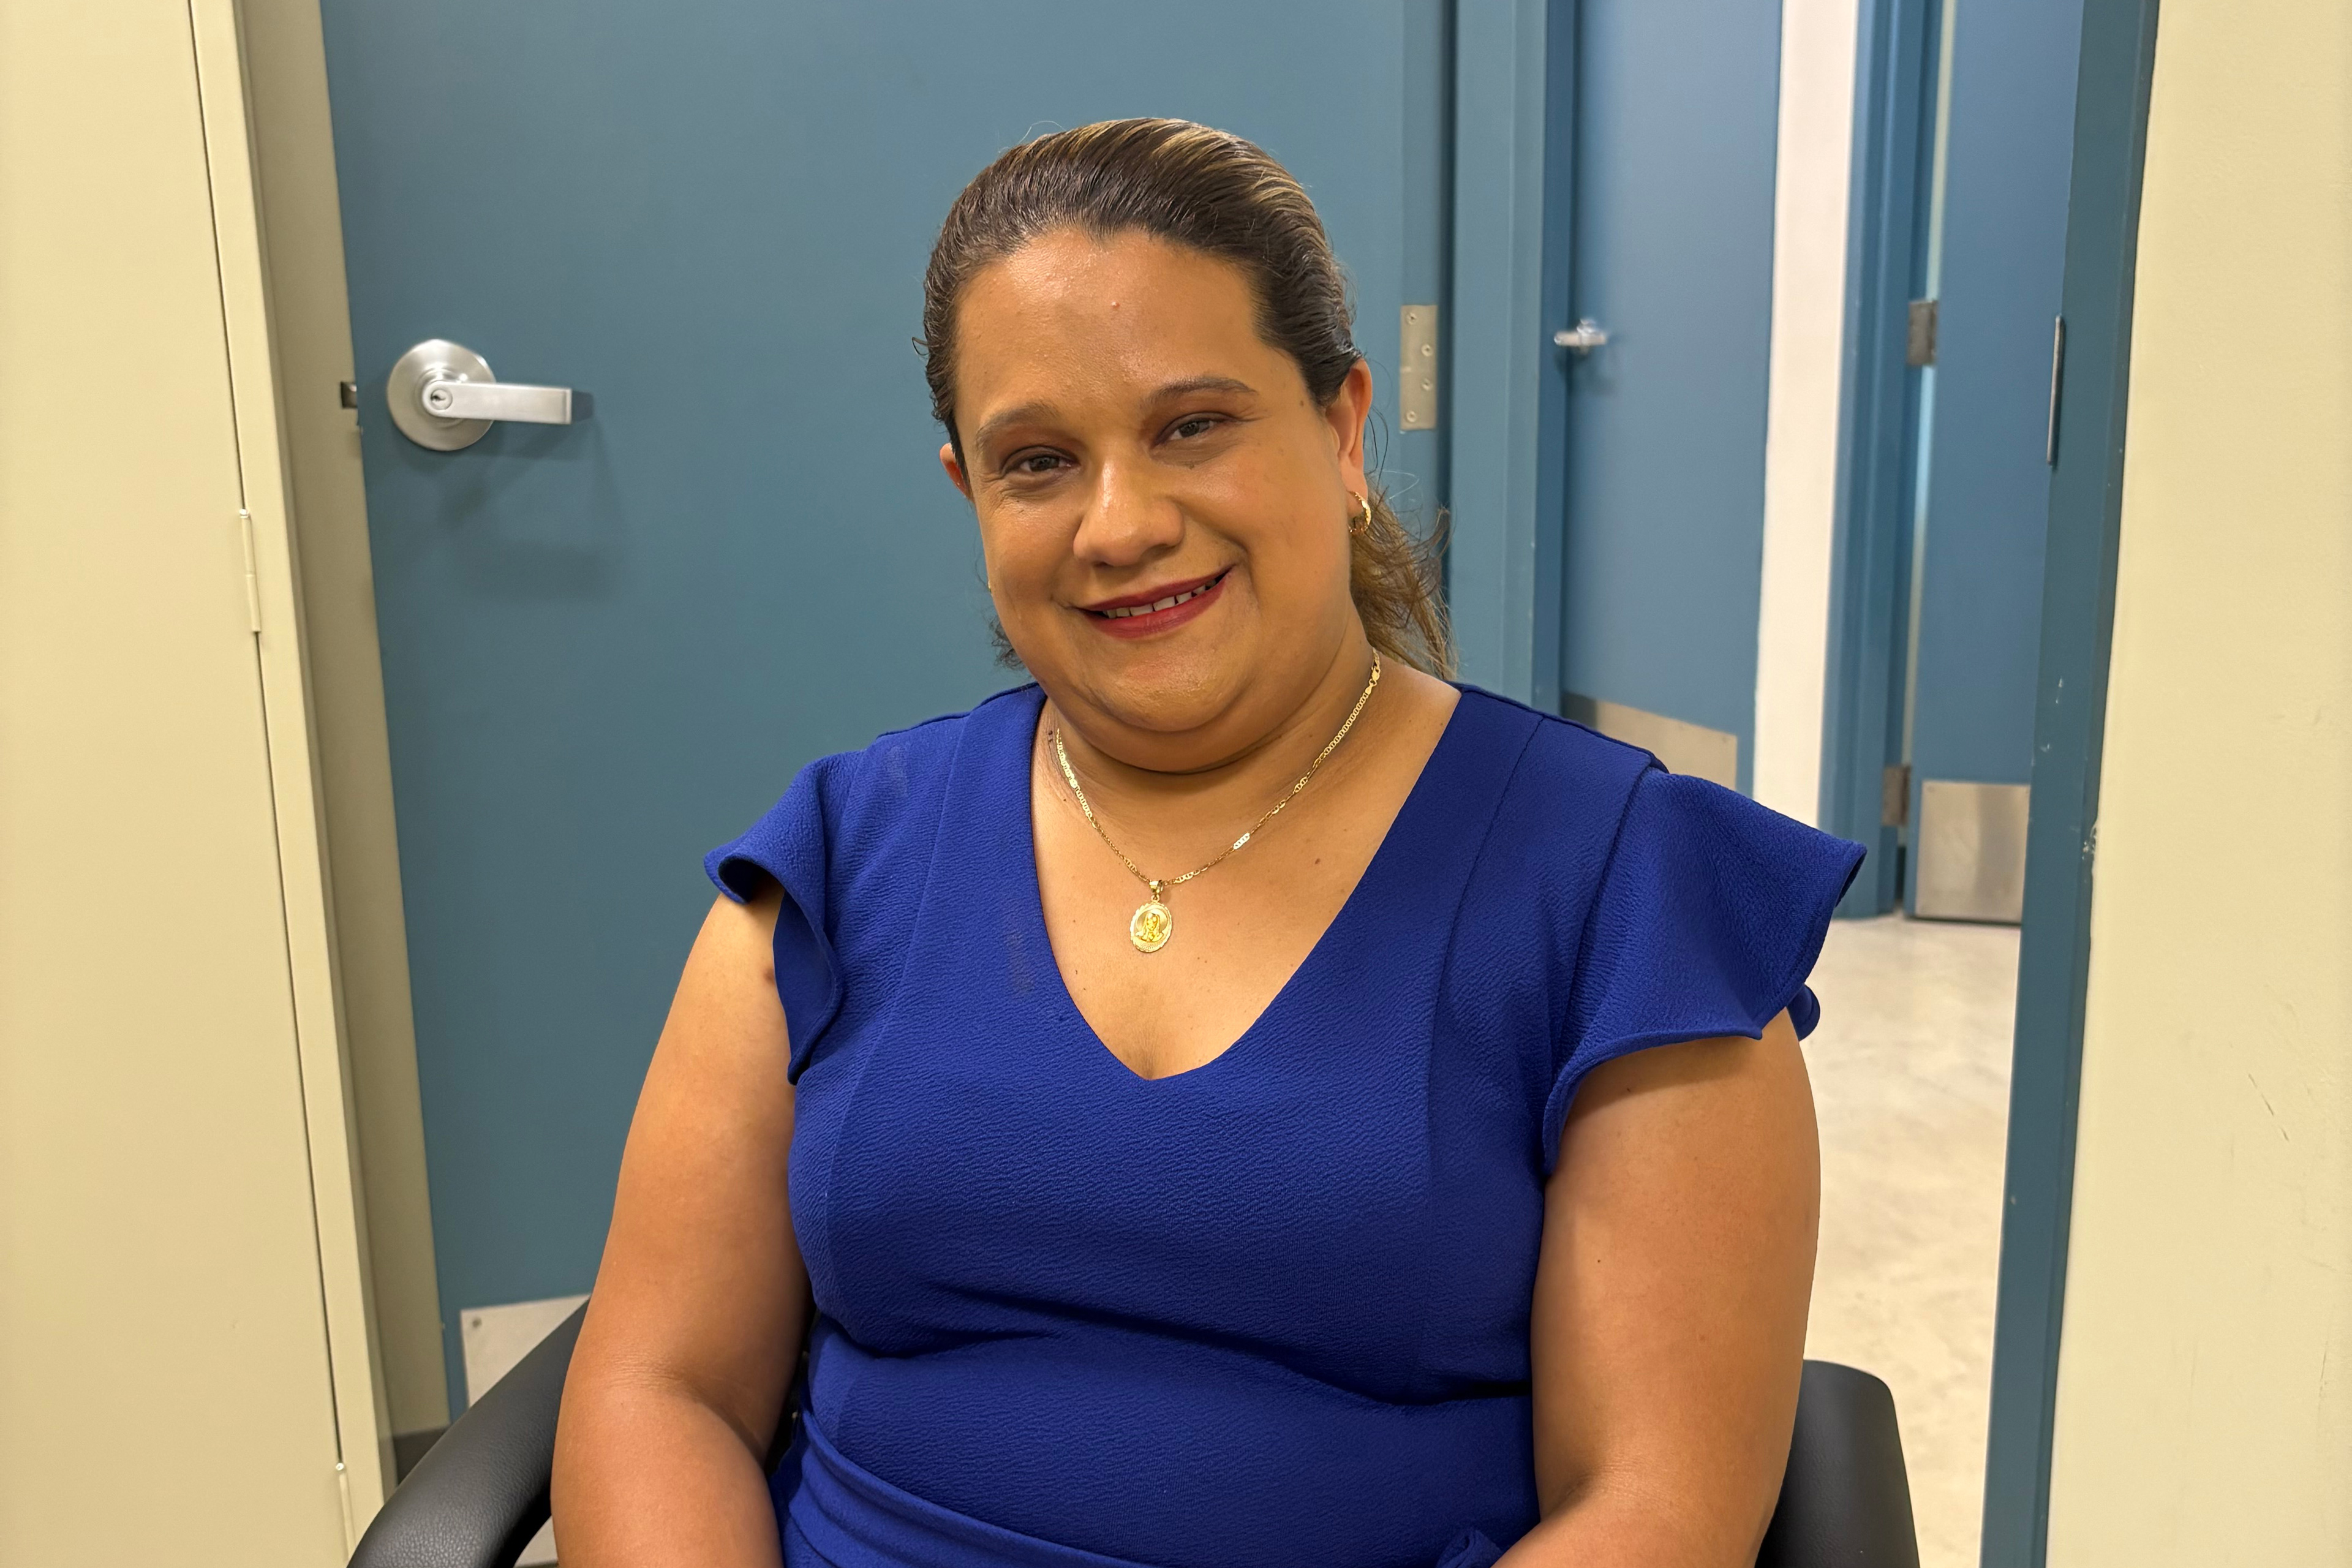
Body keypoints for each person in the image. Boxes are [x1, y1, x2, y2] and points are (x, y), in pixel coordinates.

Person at [551, 118, 1863, 1568]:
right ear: (970, 495)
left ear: (1344, 428)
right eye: (1040, 460)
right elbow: (655, 1384)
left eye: (1192, 425)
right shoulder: (842, 861)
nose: (1121, 524)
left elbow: (1655, 1511)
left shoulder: (1626, 891)